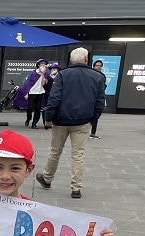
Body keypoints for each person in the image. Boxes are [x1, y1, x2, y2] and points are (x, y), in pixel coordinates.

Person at [36, 47, 105, 199]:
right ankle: (76, 188)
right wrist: (93, 119)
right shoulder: (98, 77)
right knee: (78, 155)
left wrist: (48, 118)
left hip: (61, 121)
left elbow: (54, 98)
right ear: (86, 59)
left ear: (71, 60)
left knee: (55, 151)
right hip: (83, 121)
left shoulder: (63, 75)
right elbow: (100, 102)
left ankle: (47, 179)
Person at [21, 58, 49, 129]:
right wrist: (26, 93)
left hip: (40, 93)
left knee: (38, 109)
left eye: (44, 64)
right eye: (41, 64)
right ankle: (28, 118)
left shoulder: (45, 74)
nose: (43, 65)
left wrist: (42, 74)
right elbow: (28, 84)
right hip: (32, 93)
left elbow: (43, 84)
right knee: (30, 108)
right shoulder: (33, 73)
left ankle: (34, 123)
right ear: (38, 65)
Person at [89, 59, 106, 139]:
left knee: (96, 115)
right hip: (90, 97)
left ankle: (93, 132)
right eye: (97, 66)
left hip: (98, 97)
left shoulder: (102, 75)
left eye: (100, 66)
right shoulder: (90, 74)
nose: (98, 67)